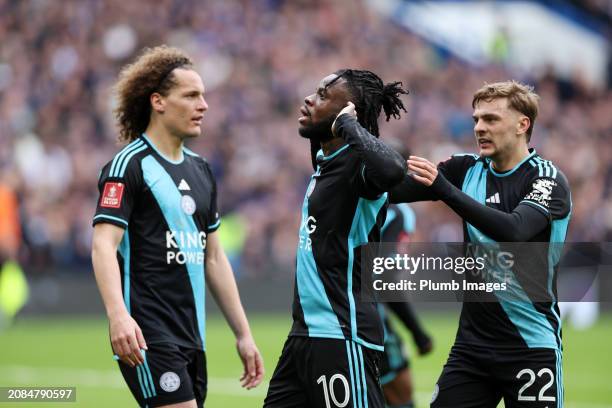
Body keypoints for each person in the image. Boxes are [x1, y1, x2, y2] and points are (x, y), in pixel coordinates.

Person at [91, 45, 263, 408]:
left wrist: (243, 334)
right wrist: (118, 316)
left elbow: (214, 258)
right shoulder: (128, 166)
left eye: (203, 95)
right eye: (191, 95)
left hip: (192, 335)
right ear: (158, 102)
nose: (204, 105)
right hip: (146, 333)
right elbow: (103, 245)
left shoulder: (201, 170)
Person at [390, 80, 571, 408]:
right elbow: (391, 191)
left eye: (491, 119)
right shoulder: (465, 169)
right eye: (476, 119)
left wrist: (445, 191)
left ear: (522, 124)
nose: (479, 128)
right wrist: (347, 146)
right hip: (472, 350)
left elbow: (514, 230)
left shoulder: (547, 180)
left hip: (530, 347)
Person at [264, 69, 408, 408]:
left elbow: (393, 171)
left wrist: (347, 125)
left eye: (323, 95)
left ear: (348, 112)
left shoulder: (360, 169)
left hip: (342, 334)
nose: (309, 99)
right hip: (304, 336)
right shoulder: (325, 161)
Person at [379, 140, 433, 408]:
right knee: (401, 396)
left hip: (324, 315)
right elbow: (382, 280)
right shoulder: (398, 213)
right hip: (363, 317)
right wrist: (417, 332)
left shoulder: (348, 199)